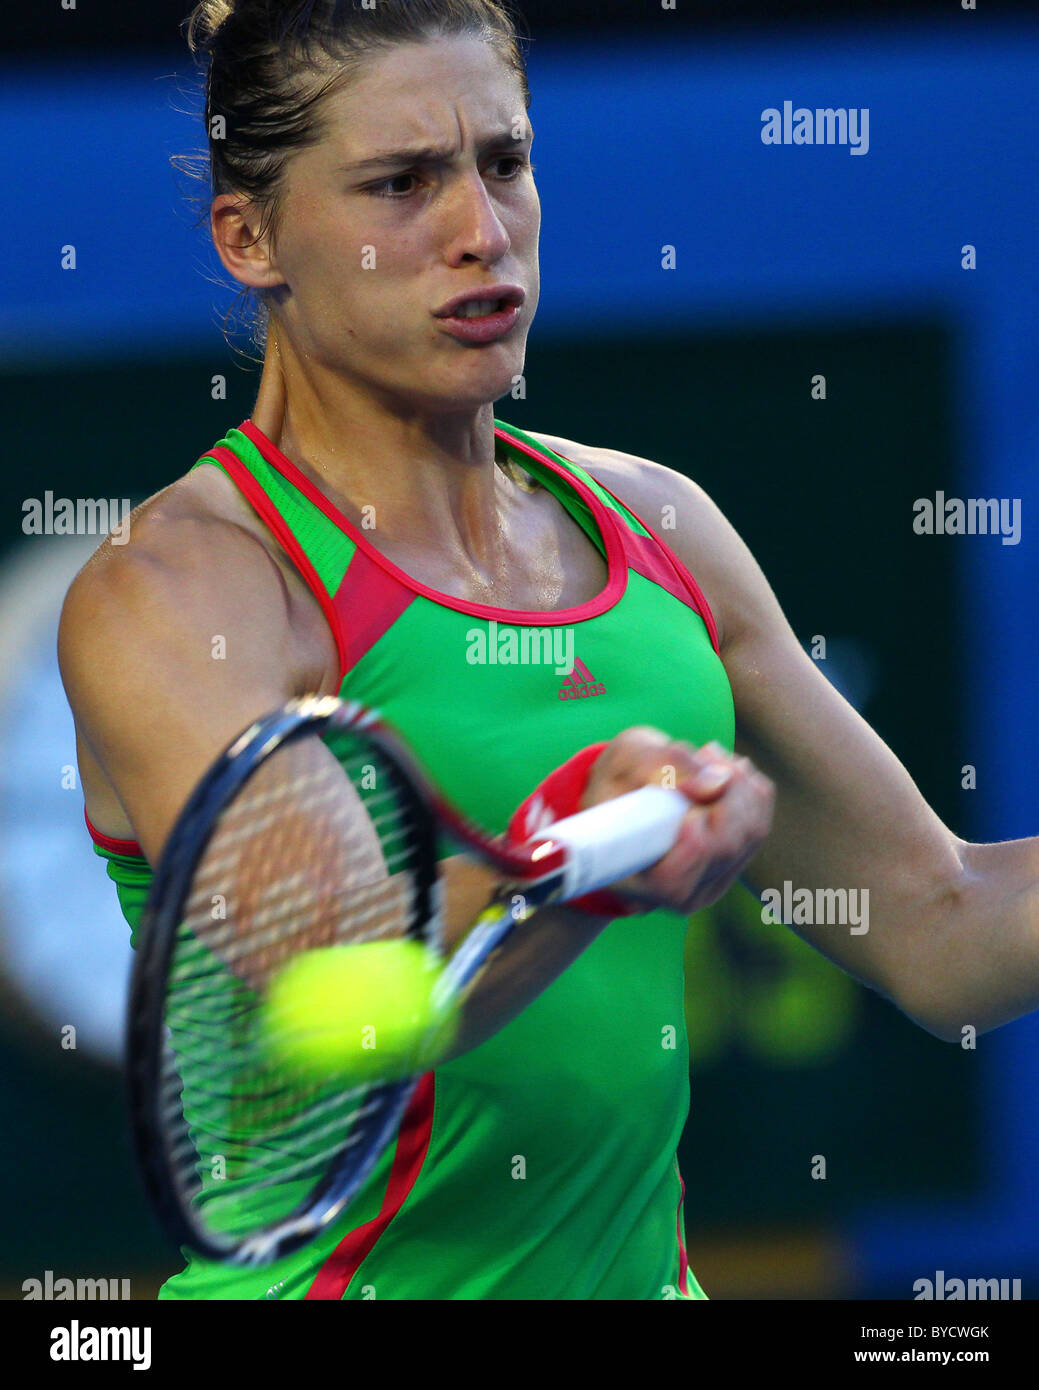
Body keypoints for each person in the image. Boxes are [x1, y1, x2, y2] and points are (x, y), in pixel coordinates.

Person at [58, 0, 1039, 1301]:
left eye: (503, 162)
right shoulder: (179, 591)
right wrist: (583, 855)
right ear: (251, 236)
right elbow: (353, 1003)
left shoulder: (662, 523)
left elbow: (942, 923)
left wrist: (596, 849)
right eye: (402, 183)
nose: (480, 232)